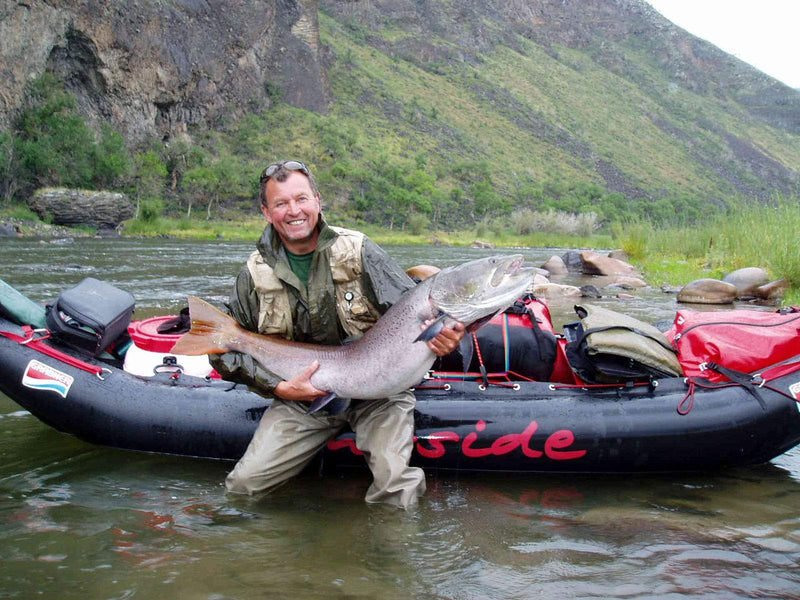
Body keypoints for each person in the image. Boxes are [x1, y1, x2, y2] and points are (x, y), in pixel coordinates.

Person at [209, 160, 465, 509]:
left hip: (380, 394)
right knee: (242, 485)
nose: (294, 211)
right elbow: (221, 349)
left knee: (396, 487)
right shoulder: (254, 274)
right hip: (302, 401)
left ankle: (392, 559)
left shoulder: (359, 251)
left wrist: (446, 342)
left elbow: (413, 314)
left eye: (301, 199)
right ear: (267, 213)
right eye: (281, 203)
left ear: (317, 200)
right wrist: (280, 387)